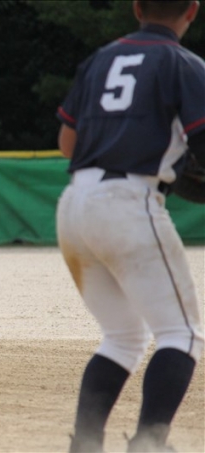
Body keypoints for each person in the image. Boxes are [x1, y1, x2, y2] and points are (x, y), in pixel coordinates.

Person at [55, 1, 205, 452]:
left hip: (74, 205)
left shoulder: (99, 60)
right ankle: (149, 444)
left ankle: (85, 444)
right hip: (128, 203)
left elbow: (67, 143)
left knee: (123, 337)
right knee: (181, 334)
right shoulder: (184, 64)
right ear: (192, 11)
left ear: (136, 7)